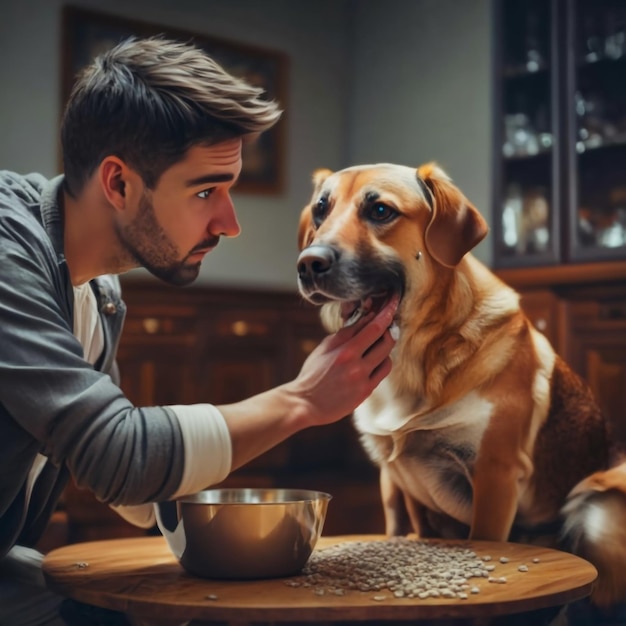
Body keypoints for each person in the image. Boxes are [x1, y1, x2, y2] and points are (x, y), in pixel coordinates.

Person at [0, 36, 398, 625]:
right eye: (207, 190)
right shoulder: (8, 251)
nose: (230, 222)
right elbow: (118, 456)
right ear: (118, 184)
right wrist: (301, 401)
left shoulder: (99, 294)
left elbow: (125, 485)